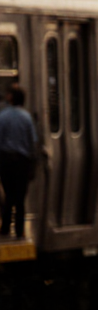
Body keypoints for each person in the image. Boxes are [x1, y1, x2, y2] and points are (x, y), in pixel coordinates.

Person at [0, 84, 38, 237]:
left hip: (6, 160)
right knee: (20, 197)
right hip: (22, 161)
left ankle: (5, 228)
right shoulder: (27, 118)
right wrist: (32, 165)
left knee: (8, 195)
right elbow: (32, 142)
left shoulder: (3, 116)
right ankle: (19, 230)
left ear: (11, 98)